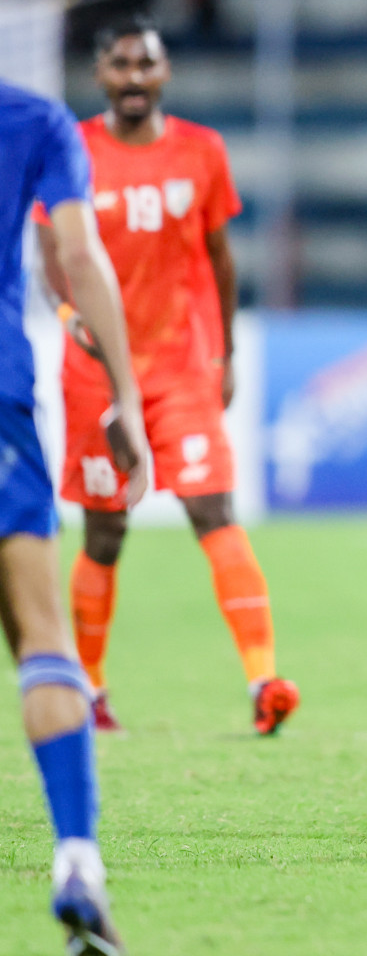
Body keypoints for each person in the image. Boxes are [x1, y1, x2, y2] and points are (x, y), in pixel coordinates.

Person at [34, 15, 299, 735]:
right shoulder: (73, 149)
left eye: (144, 64)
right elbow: (49, 250)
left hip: (181, 365)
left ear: (163, 74)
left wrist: (228, 353)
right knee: (104, 532)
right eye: (119, 65)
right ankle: (90, 690)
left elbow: (219, 257)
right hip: (94, 371)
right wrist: (68, 317)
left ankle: (263, 680)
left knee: (212, 509)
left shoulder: (201, 152)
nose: (132, 77)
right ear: (101, 75)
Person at [2, 76, 147, 955]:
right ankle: (78, 864)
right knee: (42, 635)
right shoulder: (35, 119)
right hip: (3, 402)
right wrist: (126, 393)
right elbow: (80, 255)